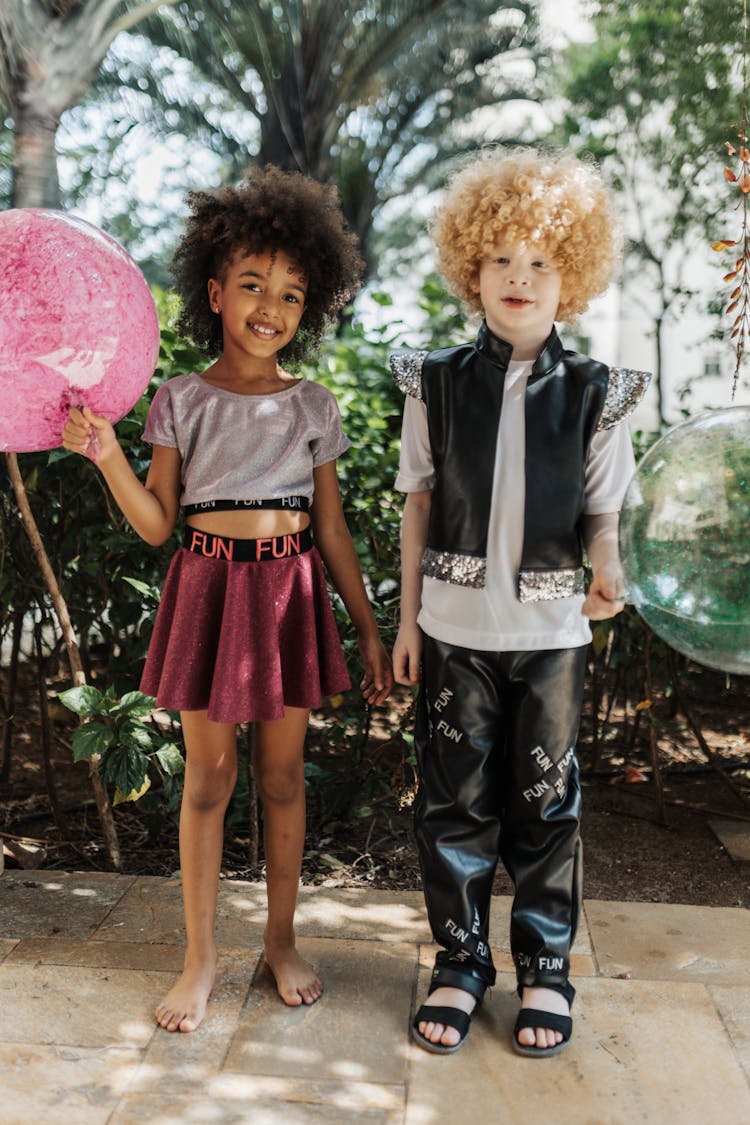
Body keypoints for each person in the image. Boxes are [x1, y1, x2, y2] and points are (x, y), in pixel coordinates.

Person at [63, 165, 393, 1033]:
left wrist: (364, 629)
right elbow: (156, 523)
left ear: (308, 308)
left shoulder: (312, 404)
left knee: (283, 778)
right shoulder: (181, 399)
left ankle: (280, 941)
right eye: (252, 285)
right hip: (207, 587)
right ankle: (200, 958)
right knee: (208, 778)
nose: (269, 307)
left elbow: (331, 530)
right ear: (214, 291)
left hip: (288, 593)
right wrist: (105, 456)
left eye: (290, 294)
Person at [391, 148, 650, 1057]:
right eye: (501, 259)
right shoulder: (436, 382)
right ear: (472, 268)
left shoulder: (598, 396)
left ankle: (546, 967)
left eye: (541, 261)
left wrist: (608, 568)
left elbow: (602, 514)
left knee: (546, 804)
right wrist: (404, 621)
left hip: (550, 635)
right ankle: (460, 962)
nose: (519, 277)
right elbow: (419, 500)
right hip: (453, 631)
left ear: (570, 276)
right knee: (453, 803)